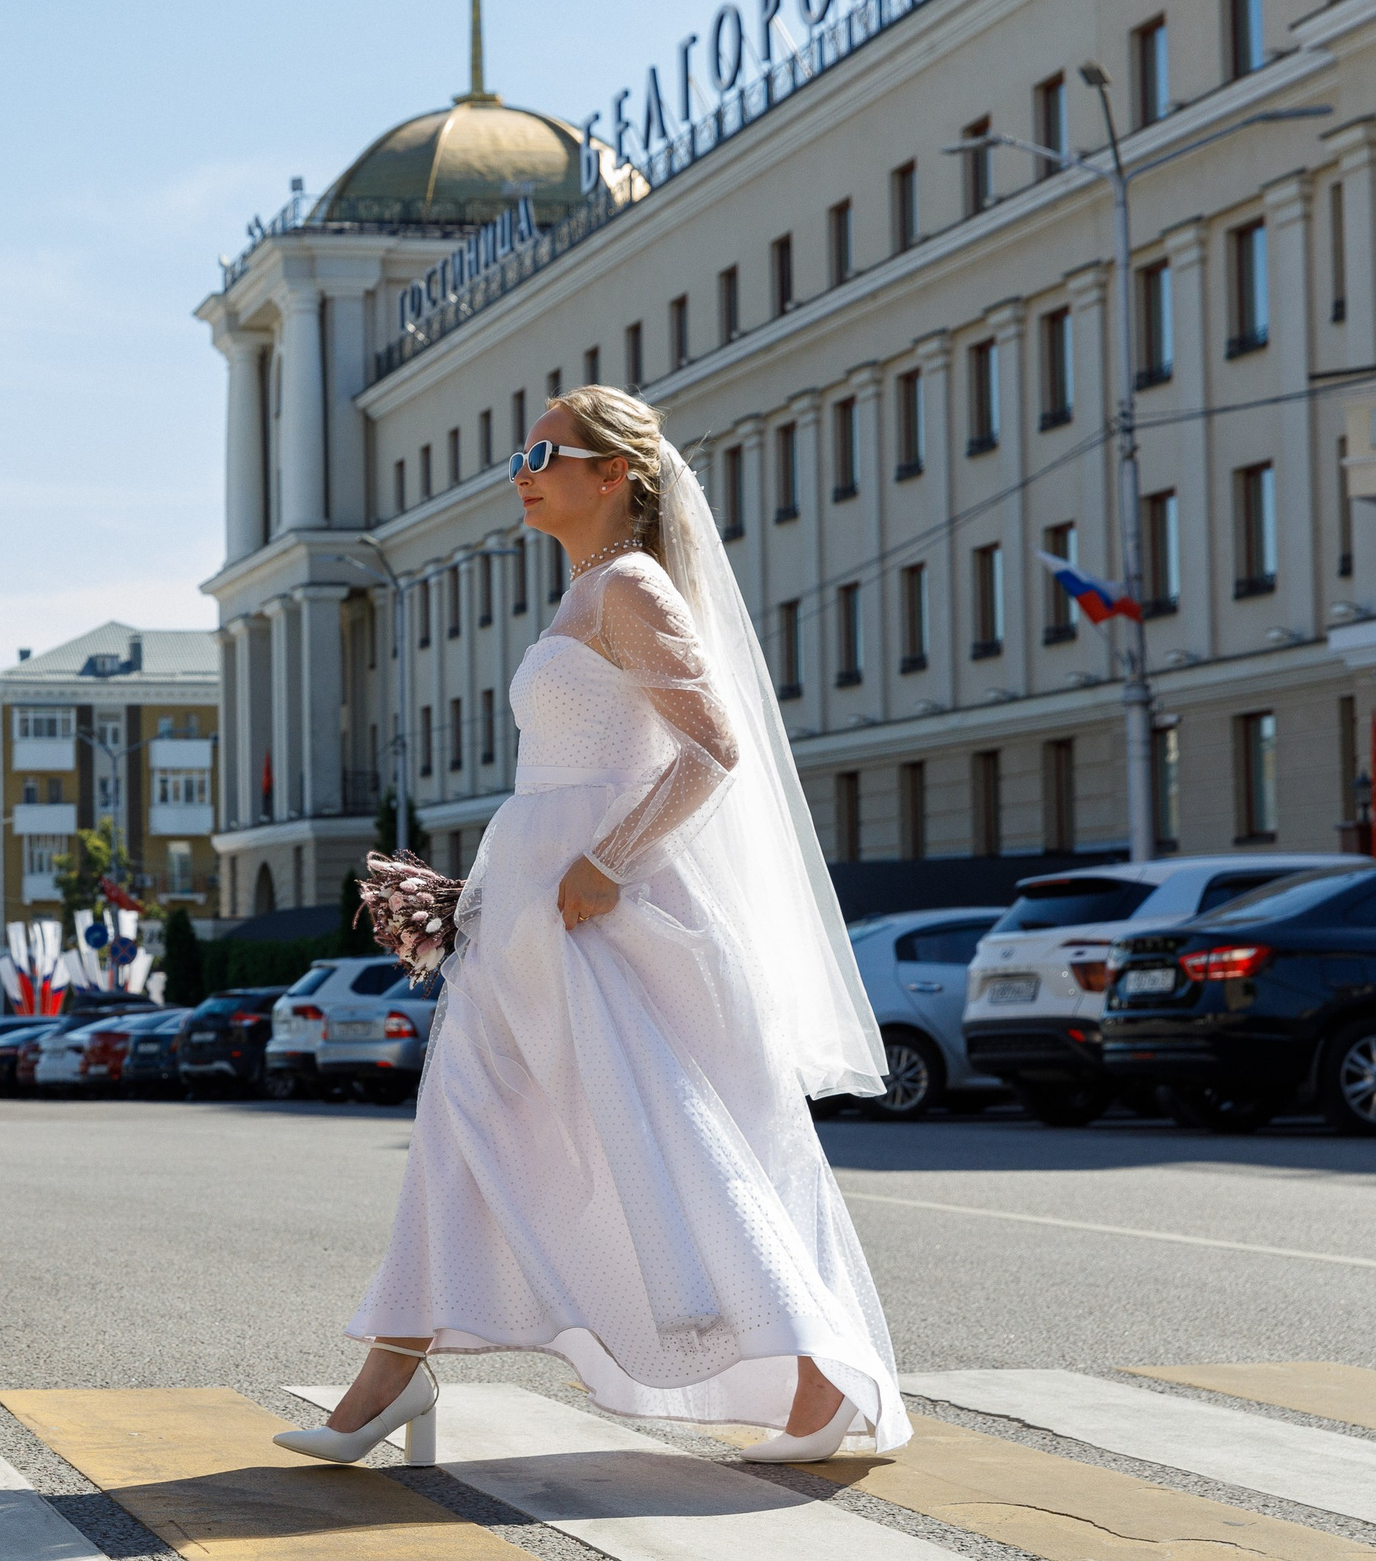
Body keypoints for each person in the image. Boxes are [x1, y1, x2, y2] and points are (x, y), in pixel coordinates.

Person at [274, 386, 909, 1467]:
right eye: (517, 451)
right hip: (521, 915)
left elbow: (710, 749)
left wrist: (605, 864)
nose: (519, 470)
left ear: (611, 471)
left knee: (667, 1138)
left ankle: (821, 1380)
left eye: (542, 451)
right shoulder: (584, 589)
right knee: (460, 1125)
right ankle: (390, 1370)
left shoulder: (629, 585)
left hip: (598, 920)